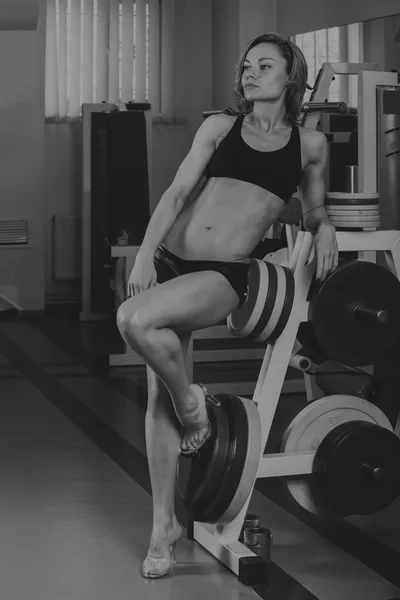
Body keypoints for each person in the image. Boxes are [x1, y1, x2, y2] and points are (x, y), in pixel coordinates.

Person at [117, 32, 339, 578]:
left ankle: (194, 405)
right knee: (157, 399)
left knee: (134, 320)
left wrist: (326, 223)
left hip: (222, 274)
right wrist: (145, 256)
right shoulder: (219, 127)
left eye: (264, 65)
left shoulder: (310, 145)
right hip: (170, 259)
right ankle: (162, 525)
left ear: (291, 76)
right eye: (246, 65)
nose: (250, 71)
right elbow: (175, 194)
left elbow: (311, 210)